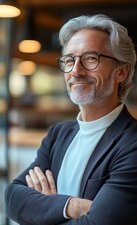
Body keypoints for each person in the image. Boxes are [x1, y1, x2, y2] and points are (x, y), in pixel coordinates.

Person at [5, 14, 137, 225]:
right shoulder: (59, 134)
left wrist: (45, 210)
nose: (76, 70)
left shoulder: (132, 144)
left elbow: (99, 223)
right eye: (69, 60)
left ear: (121, 72)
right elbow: (12, 198)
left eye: (91, 58)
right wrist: (72, 206)